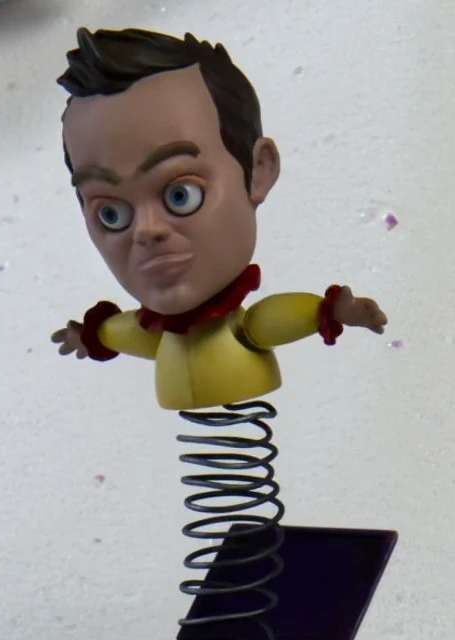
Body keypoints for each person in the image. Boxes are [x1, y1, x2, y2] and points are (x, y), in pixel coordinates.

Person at [52, 27, 387, 410]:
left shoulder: (240, 325)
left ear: (257, 170)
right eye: (111, 214)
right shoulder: (153, 329)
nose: (147, 230)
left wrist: (332, 311)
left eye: (181, 195)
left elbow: (268, 321)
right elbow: (125, 333)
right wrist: (90, 336)